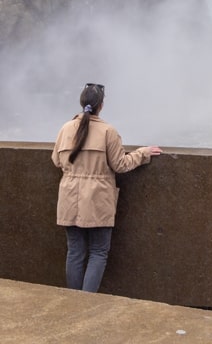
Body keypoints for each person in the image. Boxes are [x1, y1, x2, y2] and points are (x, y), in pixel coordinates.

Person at [52, 82, 161, 293]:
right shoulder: (107, 131)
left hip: (69, 196)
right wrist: (143, 152)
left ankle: (73, 302)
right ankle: (86, 301)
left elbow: (56, 160)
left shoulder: (65, 128)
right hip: (97, 199)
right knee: (98, 252)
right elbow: (121, 164)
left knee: (75, 251)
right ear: (101, 106)